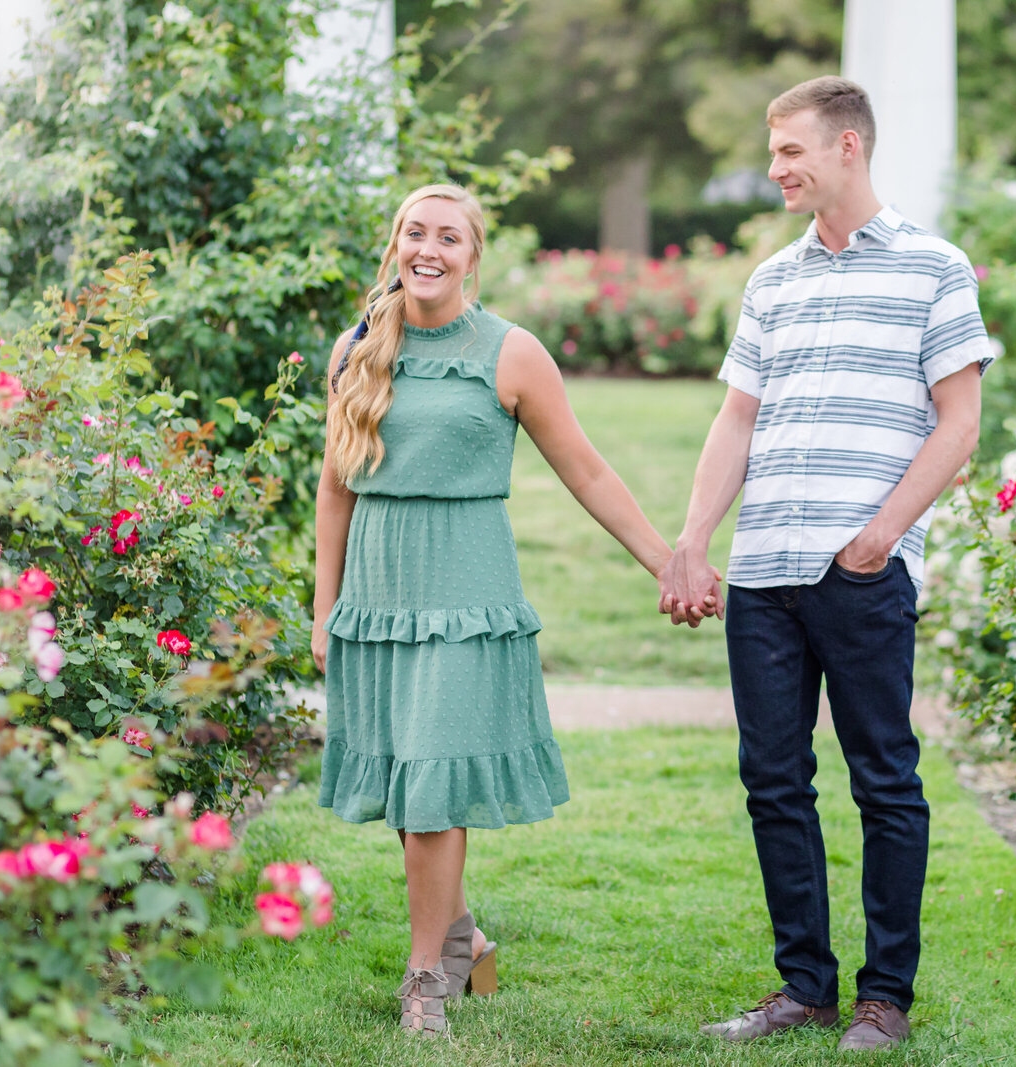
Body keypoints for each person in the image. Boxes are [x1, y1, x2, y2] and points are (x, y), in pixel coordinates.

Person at [657, 76, 994, 1051]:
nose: (775, 170)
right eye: (773, 153)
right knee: (773, 779)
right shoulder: (773, 278)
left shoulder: (935, 267)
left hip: (859, 572)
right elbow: (738, 418)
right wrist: (692, 536)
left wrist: (877, 537)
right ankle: (801, 985)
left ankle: (884, 995)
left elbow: (959, 422)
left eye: (790, 151)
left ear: (848, 146)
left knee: (883, 779)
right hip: (762, 572)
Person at [311, 183, 683, 1038]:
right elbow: (334, 489)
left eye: (448, 236)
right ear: (396, 245)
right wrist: (325, 607)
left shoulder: (513, 354)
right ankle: (465, 936)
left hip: (467, 590)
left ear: (474, 255)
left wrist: (667, 561)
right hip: (379, 594)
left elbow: (585, 470)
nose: (428, 249)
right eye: (415, 233)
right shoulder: (357, 348)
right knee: (410, 788)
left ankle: (426, 979)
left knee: (437, 779)